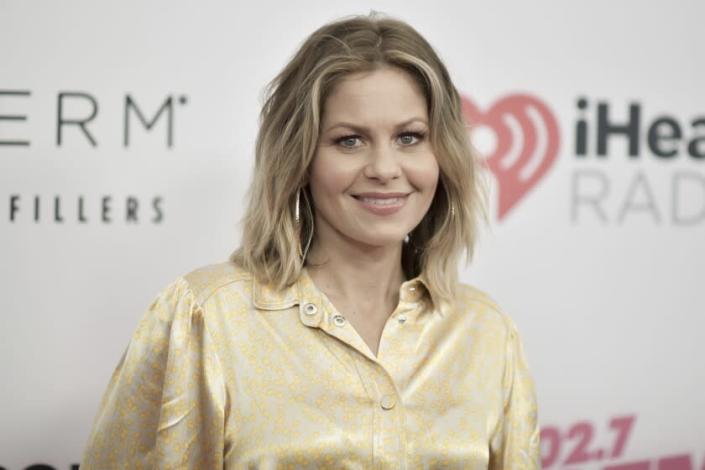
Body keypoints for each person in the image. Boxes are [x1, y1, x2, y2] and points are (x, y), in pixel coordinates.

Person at [81, 11, 540, 469]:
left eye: (409, 137)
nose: (384, 168)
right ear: (299, 158)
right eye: (349, 141)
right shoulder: (209, 318)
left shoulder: (486, 332)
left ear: (443, 153)